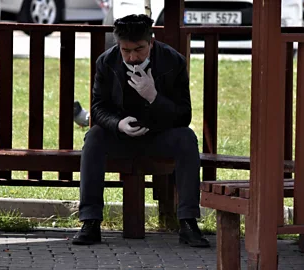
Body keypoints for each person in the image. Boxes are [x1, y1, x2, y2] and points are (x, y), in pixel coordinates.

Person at [72, 14, 209, 248]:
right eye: (126, 50)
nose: (133, 57)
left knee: (187, 139)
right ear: (118, 45)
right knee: (93, 137)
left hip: (159, 136)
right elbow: (98, 108)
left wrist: (154, 97)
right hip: (121, 137)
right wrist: (118, 124)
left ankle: (188, 222)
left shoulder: (173, 61)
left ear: (151, 43)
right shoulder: (106, 62)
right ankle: (90, 221)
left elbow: (183, 115)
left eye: (139, 49)